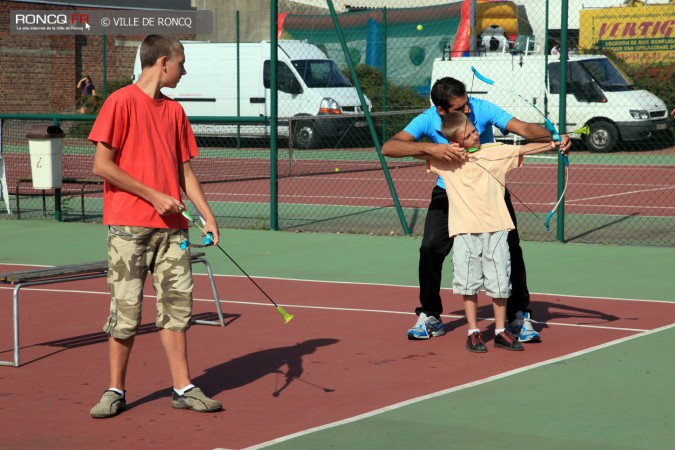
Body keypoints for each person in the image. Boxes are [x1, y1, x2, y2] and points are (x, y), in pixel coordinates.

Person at [88, 35, 222, 418]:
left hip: (174, 232)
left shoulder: (175, 112)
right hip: (128, 228)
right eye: (182, 63)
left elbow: (185, 172)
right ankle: (115, 390)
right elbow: (102, 165)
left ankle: (184, 387)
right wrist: (153, 195)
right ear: (163, 62)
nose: (184, 70)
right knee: (126, 311)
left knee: (177, 309)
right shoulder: (120, 102)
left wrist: (208, 215)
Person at [381, 76, 571, 343]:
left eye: (467, 103)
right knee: (430, 248)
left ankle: (519, 316)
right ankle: (430, 315)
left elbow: (524, 129)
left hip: (488, 192)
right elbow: (389, 146)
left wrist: (555, 136)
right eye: (460, 108)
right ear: (442, 111)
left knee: (511, 250)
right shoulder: (426, 119)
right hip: (450, 192)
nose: (468, 110)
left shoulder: (482, 108)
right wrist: (433, 148)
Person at [432, 111, 558, 352]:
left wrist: (555, 140)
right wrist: (440, 150)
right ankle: (473, 332)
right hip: (464, 231)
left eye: (473, 129)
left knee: (500, 282)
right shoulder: (446, 160)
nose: (475, 135)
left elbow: (528, 149)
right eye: (468, 136)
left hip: (497, 228)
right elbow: (408, 151)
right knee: (468, 283)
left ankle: (501, 331)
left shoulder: (495, 151)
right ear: (456, 142)